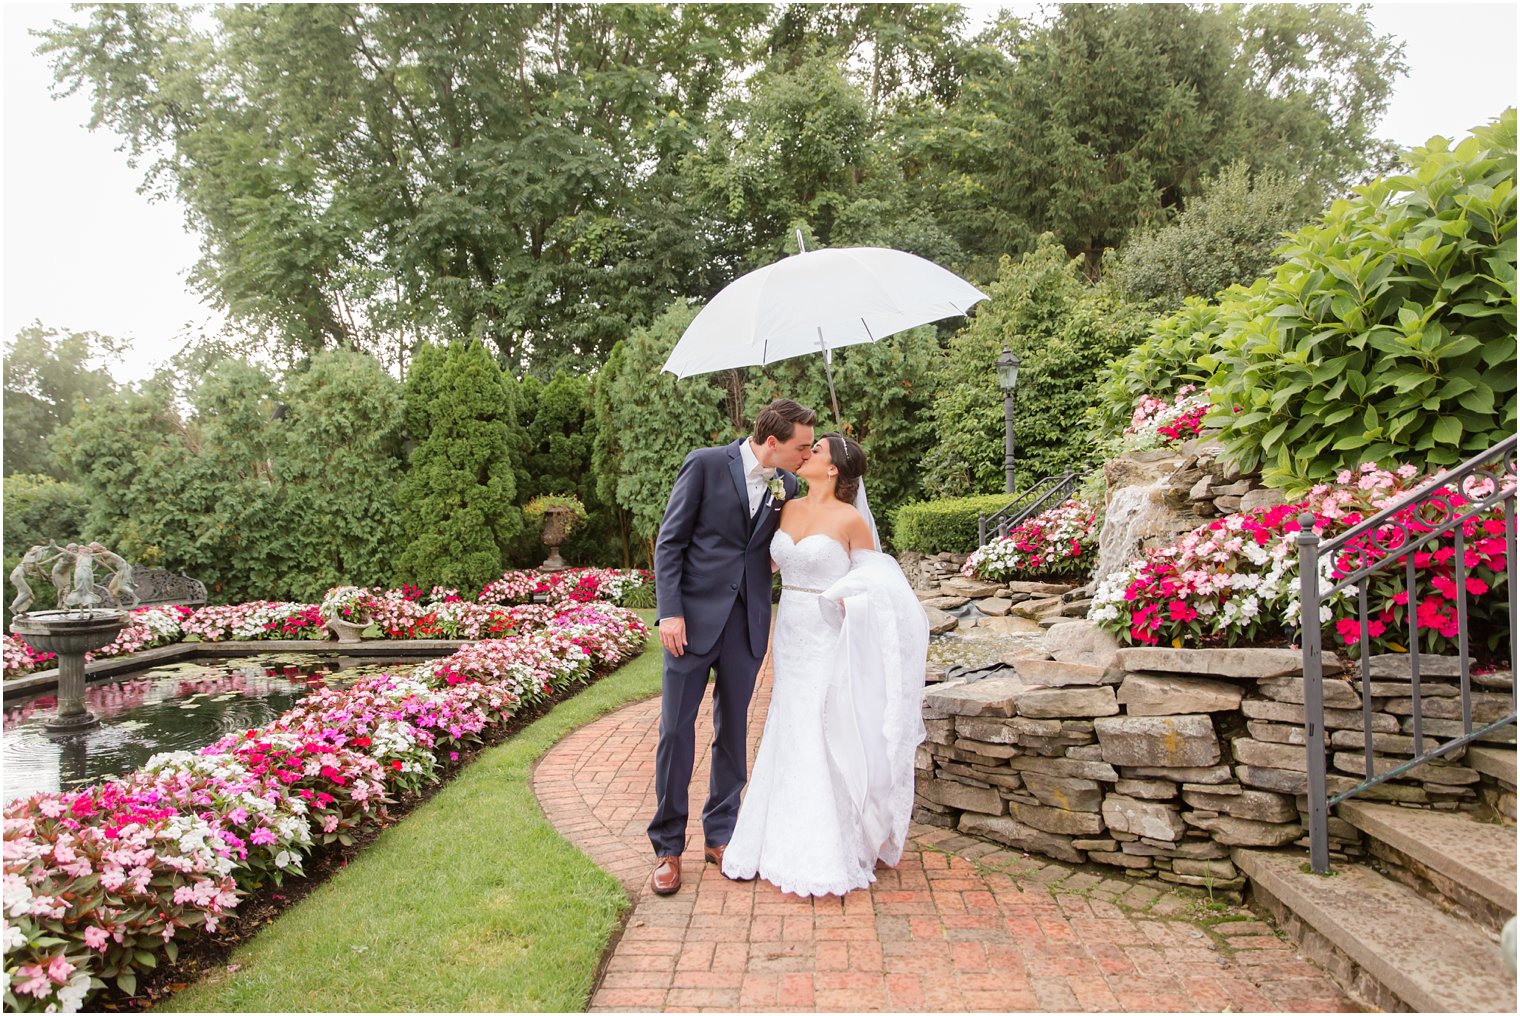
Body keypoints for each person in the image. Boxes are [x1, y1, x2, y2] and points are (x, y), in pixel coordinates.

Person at [721, 433, 929, 896]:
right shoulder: (787, 507)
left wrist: (844, 599)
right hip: (789, 631)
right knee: (788, 721)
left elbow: (878, 583)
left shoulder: (851, 520)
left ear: (833, 469)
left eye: (816, 450)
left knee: (821, 722)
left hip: (825, 633)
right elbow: (770, 563)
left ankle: (827, 844)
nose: (806, 453)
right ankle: (768, 833)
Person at [646, 398, 816, 895]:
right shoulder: (703, 464)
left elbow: (766, 549)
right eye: (800, 447)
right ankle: (667, 847)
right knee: (676, 731)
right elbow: (670, 542)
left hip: (747, 626)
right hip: (691, 624)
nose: (805, 456)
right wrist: (669, 611)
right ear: (771, 443)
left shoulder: (787, 486)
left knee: (733, 731)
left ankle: (721, 834)